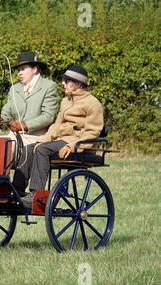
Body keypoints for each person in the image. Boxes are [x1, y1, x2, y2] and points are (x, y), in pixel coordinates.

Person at [12, 65, 104, 207]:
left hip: (76, 142)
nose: (63, 83)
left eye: (67, 81)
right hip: (60, 140)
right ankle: (16, 190)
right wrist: (42, 139)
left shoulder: (93, 103)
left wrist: (72, 147)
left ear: (78, 84)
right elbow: (56, 126)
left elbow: (93, 132)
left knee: (42, 150)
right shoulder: (65, 101)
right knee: (29, 148)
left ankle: (36, 194)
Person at [0, 50, 59, 145]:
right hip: (14, 136)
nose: (19, 73)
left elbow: (48, 116)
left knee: (2, 146)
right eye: (18, 70)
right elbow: (6, 111)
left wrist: (24, 125)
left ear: (34, 69)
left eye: (23, 69)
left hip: (37, 138)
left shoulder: (48, 86)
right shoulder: (14, 88)